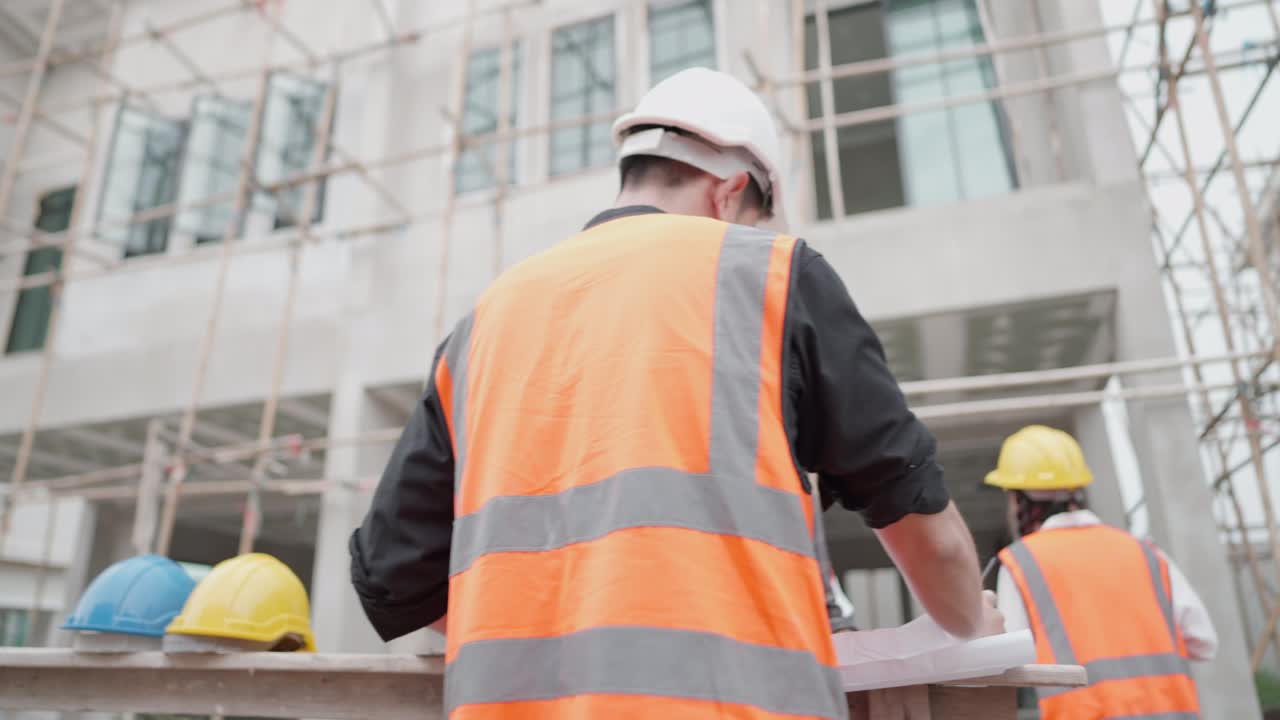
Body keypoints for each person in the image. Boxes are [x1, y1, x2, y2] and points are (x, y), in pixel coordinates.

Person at [350, 67, 1001, 720]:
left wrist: (565, 636)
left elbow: (390, 574)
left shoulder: (485, 320)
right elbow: (918, 519)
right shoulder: (772, 274)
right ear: (731, 193)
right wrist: (971, 620)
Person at [988, 425, 1216, 720]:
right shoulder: (1145, 552)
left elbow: (1009, 661)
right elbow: (1202, 642)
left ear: (1017, 499)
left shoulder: (1020, 562)